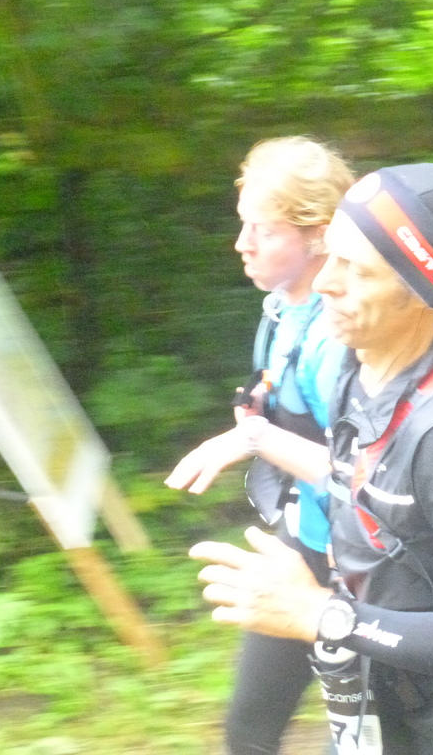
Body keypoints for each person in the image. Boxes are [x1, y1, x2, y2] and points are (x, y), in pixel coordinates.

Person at [189, 163, 433, 754]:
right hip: (384, 702)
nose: (325, 283)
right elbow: (368, 503)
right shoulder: (356, 370)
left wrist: (324, 614)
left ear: (423, 290)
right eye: (330, 258)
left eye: (357, 270)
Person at [165, 136, 353, 754]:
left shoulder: (337, 337)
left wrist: (254, 437)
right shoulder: (280, 310)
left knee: (360, 738)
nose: (241, 244)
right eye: (243, 224)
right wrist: (246, 436)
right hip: (305, 544)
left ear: (319, 235)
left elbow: (365, 478)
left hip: (366, 568)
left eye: (264, 231)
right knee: (248, 730)